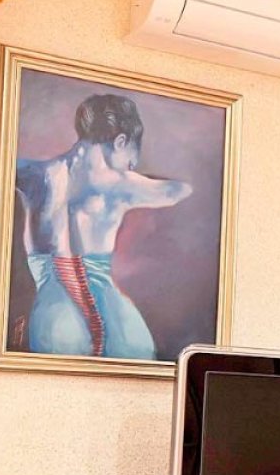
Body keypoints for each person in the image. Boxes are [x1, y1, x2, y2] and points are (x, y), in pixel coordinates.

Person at [14, 93, 190, 359]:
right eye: (131, 161)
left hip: (54, 318)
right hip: (118, 321)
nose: (131, 167)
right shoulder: (119, 185)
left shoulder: (31, 174)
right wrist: (132, 178)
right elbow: (180, 190)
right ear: (121, 141)